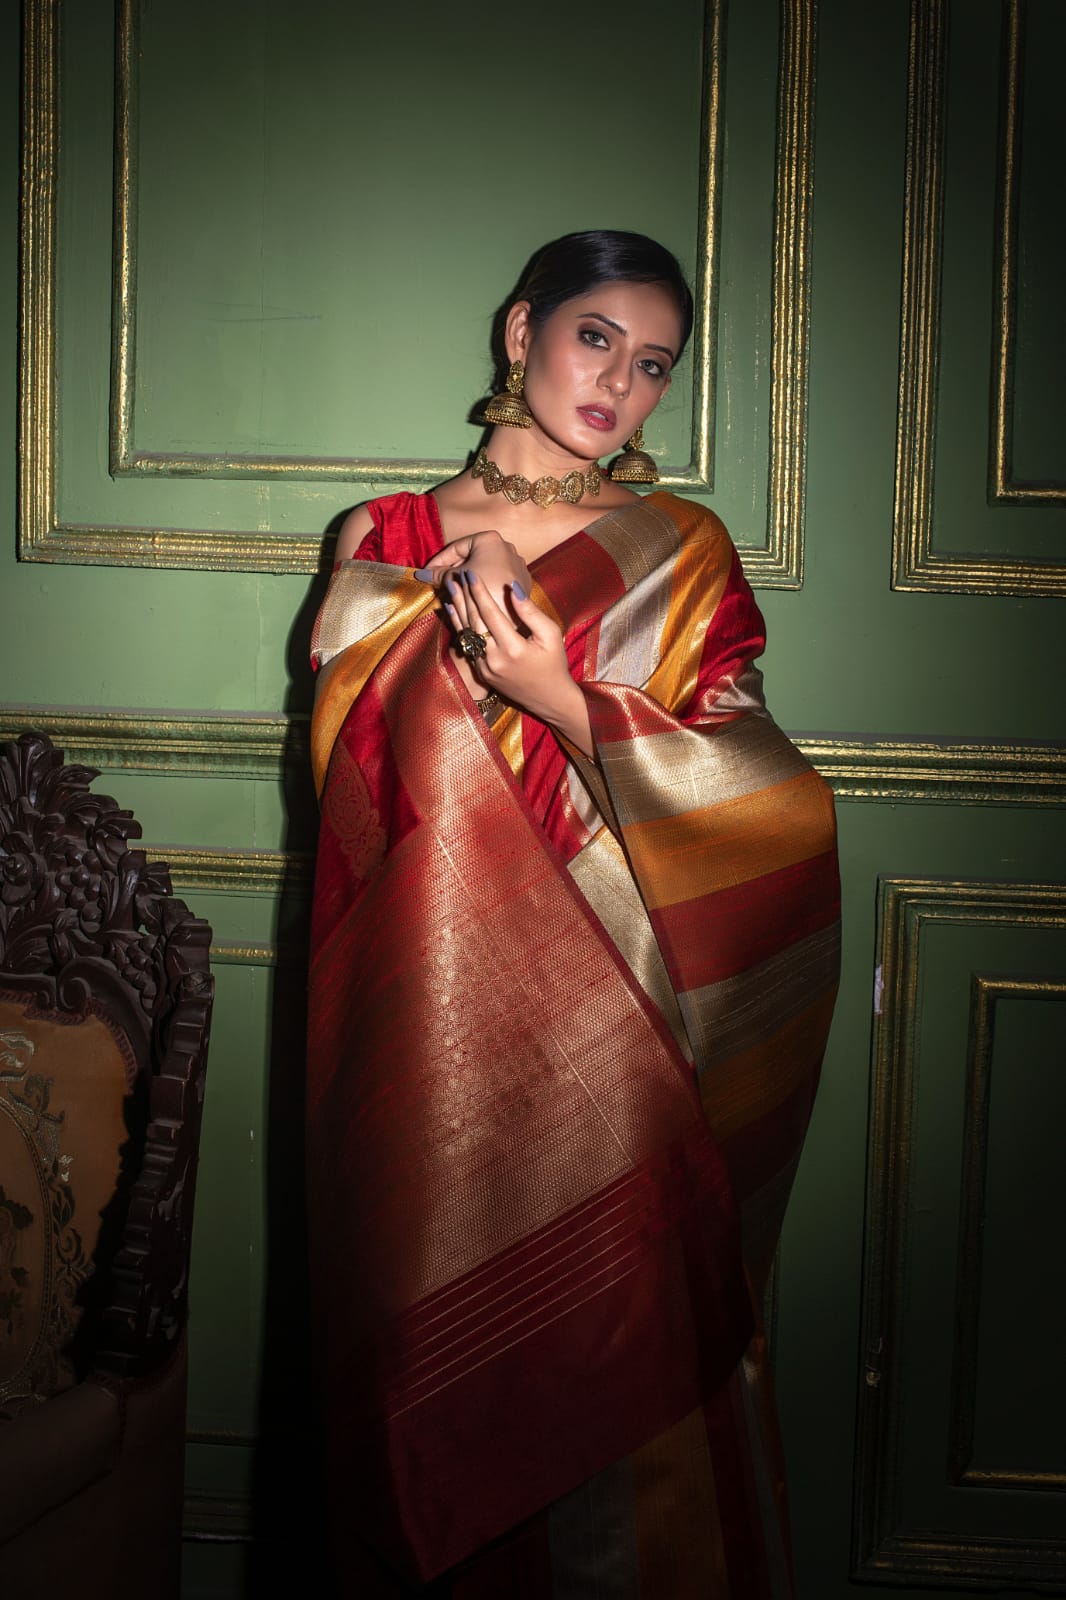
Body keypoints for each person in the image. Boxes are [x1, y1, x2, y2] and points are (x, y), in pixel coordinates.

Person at [307, 231, 840, 1598]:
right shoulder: (386, 540)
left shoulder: (680, 550)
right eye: (594, 338)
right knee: (429, 1344)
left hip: (627, 990)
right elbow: (348, 804)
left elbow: (765, 796)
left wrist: (562, 701)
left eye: (651, 364)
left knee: (626, 1341)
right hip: (431, 997)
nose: (617, 384)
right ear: (518, 331)